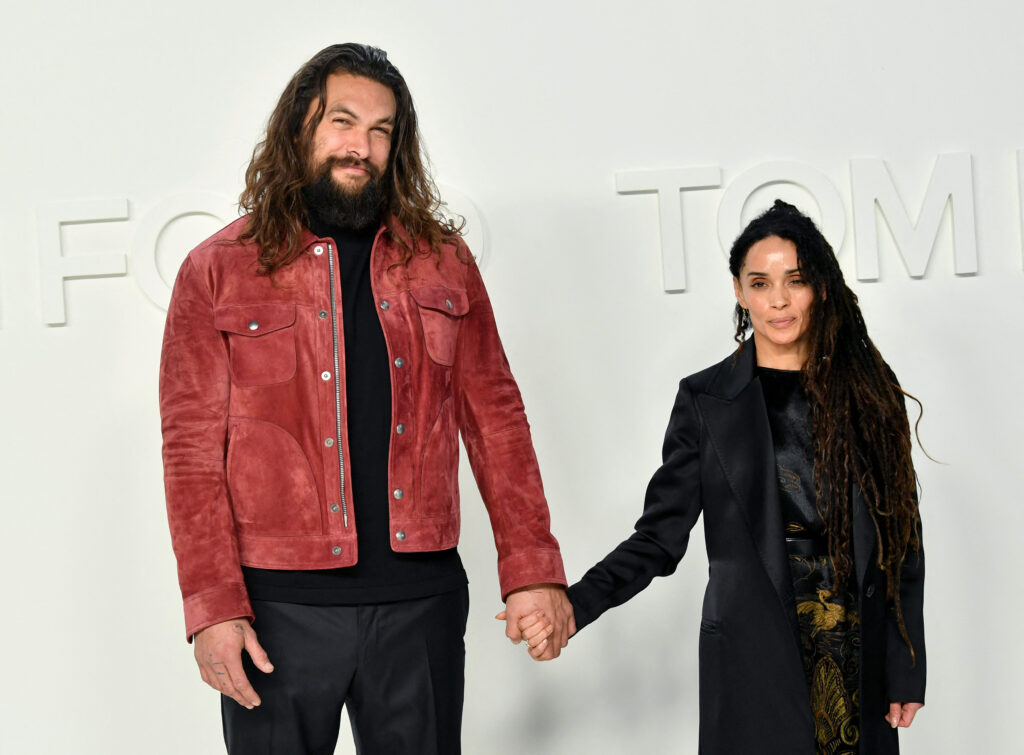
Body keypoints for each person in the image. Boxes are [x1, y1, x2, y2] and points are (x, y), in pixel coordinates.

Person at [159, 42, 573, 755]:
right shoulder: (216, 271)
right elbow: (192, 455)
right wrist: (212, 609)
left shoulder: (444, 262)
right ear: (300, 131)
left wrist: (533, 570)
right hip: (277, 613)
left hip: (421, 606)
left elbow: (497, 421)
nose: (362, 147)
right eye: (343, 122)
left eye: (382, 130)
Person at [518, 200, 925, 754]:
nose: (778, 300)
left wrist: (904, 667)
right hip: (754, 660)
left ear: (822, 288)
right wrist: (575, 604)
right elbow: (659, 539)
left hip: (856, 656)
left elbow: (902, 544)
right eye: (760, 283)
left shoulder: (870, 393)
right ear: (739, 291)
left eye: (796, 281)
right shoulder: (705, 401)